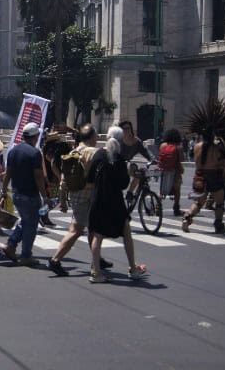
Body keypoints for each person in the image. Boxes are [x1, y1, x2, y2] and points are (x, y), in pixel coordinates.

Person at [47, 125, 112, 276]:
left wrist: (63, 200)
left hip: (76, 195)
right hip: (89, 196)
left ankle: (98, 259)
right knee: (75, 231)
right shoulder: (95, 153)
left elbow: (63, 180)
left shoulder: (73, 152)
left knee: (92, 229)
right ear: (92, 137)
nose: (97, 139)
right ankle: (55, 260)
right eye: (95, 136)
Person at [87, 126, 147, 283]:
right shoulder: (119, 159)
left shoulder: (99, 155)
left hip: (98, 199)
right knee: (126, 232)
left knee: (98, 235)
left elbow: (89, 178)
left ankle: (96, 272)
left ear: (107, 138)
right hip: (115, 202)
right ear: (120, 141)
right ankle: (133, 269)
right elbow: (123, 184)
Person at [0, 123, 51, 267]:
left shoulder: (13, 151)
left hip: (16, 194)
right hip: (30, 195)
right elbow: (39, 176)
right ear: (35, 137)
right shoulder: (35, 153)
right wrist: (45, 196)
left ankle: (11, 245)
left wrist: (4, 190)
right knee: (31, 225)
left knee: (25, 221)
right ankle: (26, 255)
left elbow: (8, 172)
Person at [118, 121, 154, 202]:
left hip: (127, 163)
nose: (127, 130)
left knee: (138, 173)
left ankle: (130, 193)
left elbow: (145, 152)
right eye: (124, 129)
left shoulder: (136, 141)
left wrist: (152, 159)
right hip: (117, 164)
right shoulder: (118, 140)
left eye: (128, 128)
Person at [158, 128, 185, 216]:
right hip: (175, 171)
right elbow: (181, 159)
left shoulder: (162, 146)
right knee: (177, 190)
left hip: (164, 171)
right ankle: (176, 208)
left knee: (162, 190)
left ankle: (157, 207)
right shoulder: (178, 147)